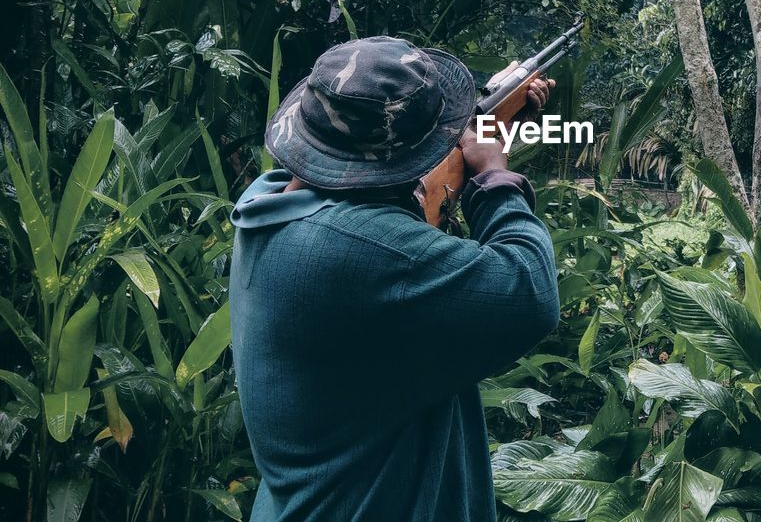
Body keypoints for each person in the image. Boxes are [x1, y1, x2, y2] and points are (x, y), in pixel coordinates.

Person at [229, 35, 559, 521]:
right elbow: (530, 289)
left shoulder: (268, 205)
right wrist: (493, 175)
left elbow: (391, 218)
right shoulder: (359, 253)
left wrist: (483, 130)